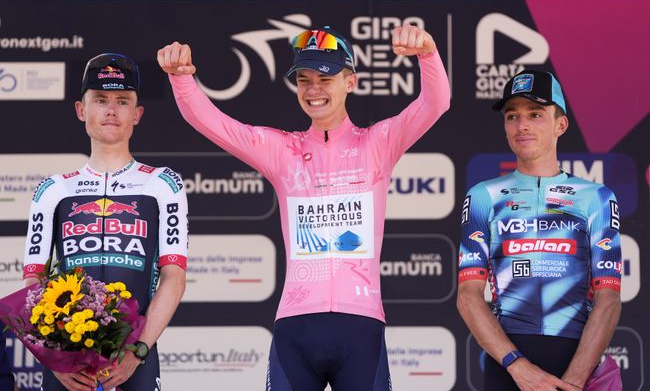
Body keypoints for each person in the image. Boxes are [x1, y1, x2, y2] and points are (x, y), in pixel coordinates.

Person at [157, 23, 450, 391]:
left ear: (351, 82)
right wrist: (181, 78)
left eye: (325, 78)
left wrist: (427, 53)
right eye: (304, 80)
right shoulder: (283, 150)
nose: (313, 90)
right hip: (296, 326)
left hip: (361, 325)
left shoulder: (377, 144)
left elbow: (436, 103)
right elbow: (213, 123)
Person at [23, 53, 188, 391]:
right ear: (81, 110)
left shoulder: (163, 184)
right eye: (100, 100)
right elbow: (33, 281)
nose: (111, 110)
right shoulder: (53, 189)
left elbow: (174, 277)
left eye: (122, 101)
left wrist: (137, 351)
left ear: (137, 114)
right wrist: (54, 358)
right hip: (66, 358)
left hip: (135, 357)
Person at [456, 70, 622, 391]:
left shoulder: (597, 198)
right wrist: (519, 368)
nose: (522, 125)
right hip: (507, 365)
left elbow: (609, 298)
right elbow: (468, 296)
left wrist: (573, 382)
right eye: (512, 116)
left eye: (535, 114)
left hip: (575, 359)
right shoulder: (483, 196)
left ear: (561, 125)